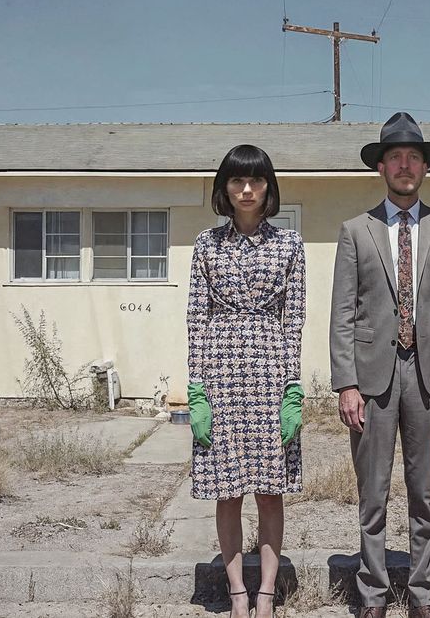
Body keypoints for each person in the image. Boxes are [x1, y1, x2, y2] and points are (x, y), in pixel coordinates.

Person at [329, 112, 430, 618]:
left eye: (414, 157)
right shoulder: (356, 231)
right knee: (372, 494)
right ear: (382, 167)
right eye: (396, 157)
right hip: (371, 379)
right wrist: (346, 384)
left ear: (425, 167)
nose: (405, 165)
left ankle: (423, 596)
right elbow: (343, 313)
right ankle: (371, 595)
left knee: (426, 494)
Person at [187, 144, 306, 618]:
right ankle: (237, 590)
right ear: (225, 188)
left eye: (256, 180)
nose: (247, 189)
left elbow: (294, 318)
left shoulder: (289, 245)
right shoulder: (206, 244)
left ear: (268, 187)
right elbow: (196, 317)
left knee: (270, 489)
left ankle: (267, 591)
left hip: (270, 372)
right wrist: (197, 388)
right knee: (228, 488)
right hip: (220, 372)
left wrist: (293, 386)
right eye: (237, 180)